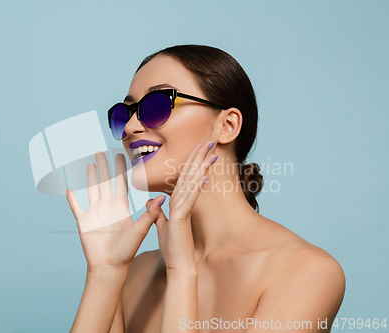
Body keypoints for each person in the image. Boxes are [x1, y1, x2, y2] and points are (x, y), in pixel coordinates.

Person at [65, 45, 345, 332]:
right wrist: (104, 273)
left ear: (227, 125)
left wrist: (182, 273)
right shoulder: (132, 273)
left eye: (158, 104)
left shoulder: (306, 272)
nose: (132, 126)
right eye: (127, 113)